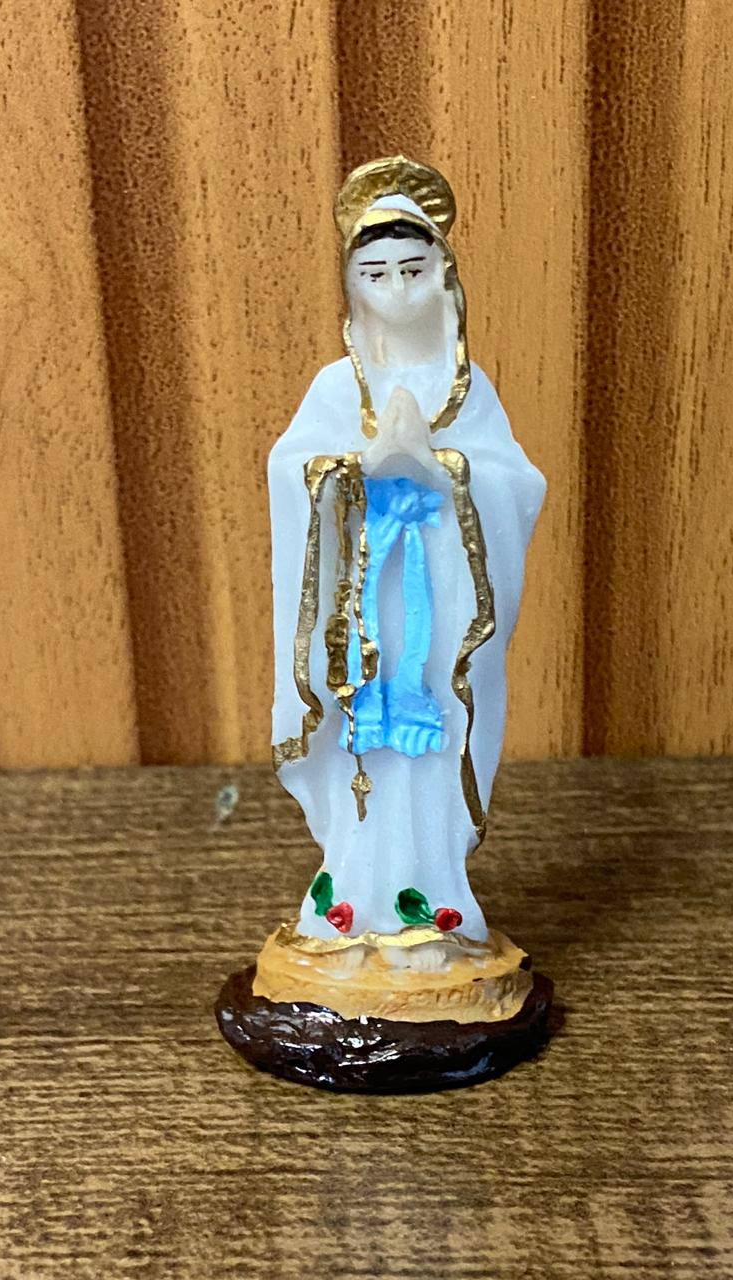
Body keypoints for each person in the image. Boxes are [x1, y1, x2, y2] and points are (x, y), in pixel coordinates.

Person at [268, 156, 546, 945]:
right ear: (352, 288)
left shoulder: (467, 388)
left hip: (438, 599)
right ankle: (350, 895)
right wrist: (354, 469)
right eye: (376, 273)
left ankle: (437, 899)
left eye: (412, 270)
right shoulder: (336, 388)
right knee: (362, 736)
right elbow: (290, 471)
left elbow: (517, 484)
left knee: (434, 736)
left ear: (444, 276)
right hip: (361, 605)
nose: (395, 289)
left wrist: (443, 472)